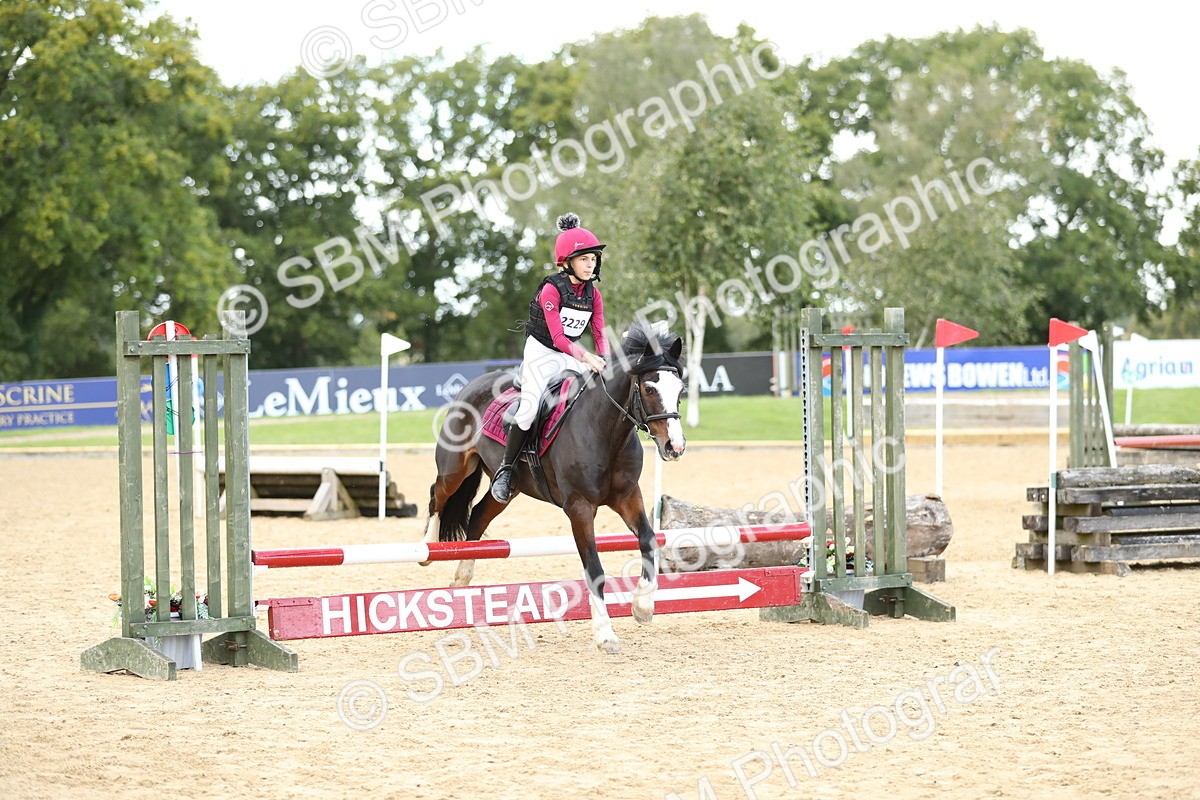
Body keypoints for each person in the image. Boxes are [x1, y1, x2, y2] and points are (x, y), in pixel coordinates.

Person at [490, 212, 609, 503]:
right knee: (530, 409)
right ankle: (506, 470)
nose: (590, 264)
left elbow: (599, 332)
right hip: (542, 352)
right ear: (566, 262)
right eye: (584, 259)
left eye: (592, 259)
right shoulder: (551, 289)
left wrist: (604, 358)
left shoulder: (594, 295)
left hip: (571, 355)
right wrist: (586, 357)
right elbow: (557, 338)